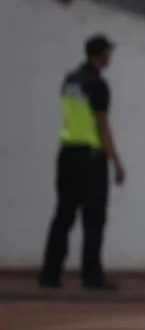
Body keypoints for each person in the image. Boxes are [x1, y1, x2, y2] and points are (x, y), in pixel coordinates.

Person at [39, 35, 126, 291]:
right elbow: (101, 125)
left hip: (67, 154)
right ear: (100, 55)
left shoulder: (70, 80)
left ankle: (49, 273)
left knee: (63, 215)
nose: (110, 57)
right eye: (108, 53)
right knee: (93, 218)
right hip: (90, 158)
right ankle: (91, 276)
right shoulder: (98, 84)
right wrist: (116, 162)